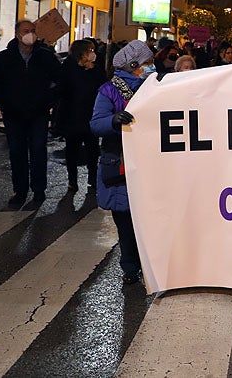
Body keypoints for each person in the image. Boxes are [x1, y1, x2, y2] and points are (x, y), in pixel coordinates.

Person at [91, 39, 156, 285]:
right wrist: (114, 121)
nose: (152, 66)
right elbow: (96, 124)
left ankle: (150, 265)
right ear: (133, 65)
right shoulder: (109, 91)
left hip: (150, 163)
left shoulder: (155, 86)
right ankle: (130, 267)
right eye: (147, 63)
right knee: (126, 223)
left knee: (150, 221)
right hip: (121, 164)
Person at [0, 19, 61, 206]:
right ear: (18, 34)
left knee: (38, 151)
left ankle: (39, 190)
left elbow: (60, 80)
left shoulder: (45, 57)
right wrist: (4, 101)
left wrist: (47, 100)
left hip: (38, 114)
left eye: (33, 30)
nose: (30, 34)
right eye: (26, 30)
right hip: (13, 114)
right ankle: (20, 190)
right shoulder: (5, 58)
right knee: (17, 152)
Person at [56, 39, 104, 192]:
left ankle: (93, 178)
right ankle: (72, 180)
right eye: (90, 50)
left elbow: (102, 86)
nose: (93, 54)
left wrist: (93, 70)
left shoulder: (95, 69)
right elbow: (62, 91)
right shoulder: (67, 68)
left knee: (93, 150)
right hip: (72, 117)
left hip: (91, 115)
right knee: (72, 150)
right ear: (82, 53)